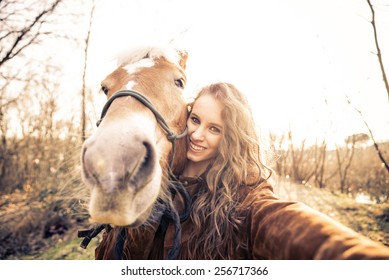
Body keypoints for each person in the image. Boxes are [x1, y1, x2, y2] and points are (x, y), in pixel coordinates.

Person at [94, 82, 389, 259]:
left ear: (230, 138)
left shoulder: (244, 194)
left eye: (214, 129)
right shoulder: (150, 175)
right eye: (195, 119)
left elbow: (279, 222)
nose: (197, 135)